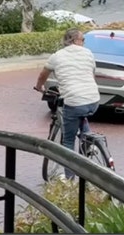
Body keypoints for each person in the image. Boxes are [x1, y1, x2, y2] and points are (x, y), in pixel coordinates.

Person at [34, 29, 100, 180]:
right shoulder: (88, 53)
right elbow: (91, 73)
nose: (83, 43)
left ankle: (69, 179)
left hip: (74, 100)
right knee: (81, 113)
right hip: (94, 99)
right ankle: (89, 142)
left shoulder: (57, 56)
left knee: (68, 141)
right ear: (76, 41)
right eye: (83, 40)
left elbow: (43, 75)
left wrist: (39, 87)